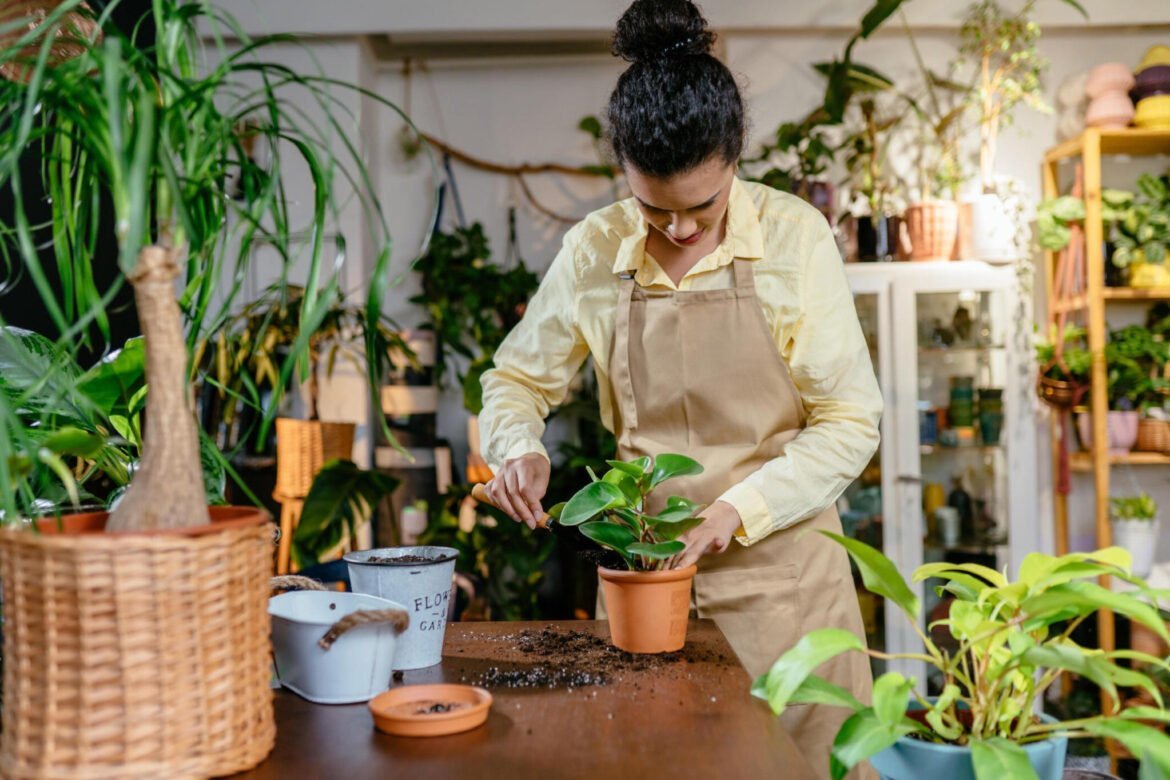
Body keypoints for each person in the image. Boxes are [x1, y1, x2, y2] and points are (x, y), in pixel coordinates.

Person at [478, 1, 881, 775]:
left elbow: (849, 421)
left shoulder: (794, 237)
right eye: (655, 208)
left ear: (737, 159)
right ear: (622, 172)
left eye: (704, 204)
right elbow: (517, 378)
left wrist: (735, 511)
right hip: (643, 579)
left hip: (787, 587)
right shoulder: (595, 248)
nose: (683, 229)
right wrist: (518, 447)